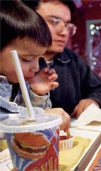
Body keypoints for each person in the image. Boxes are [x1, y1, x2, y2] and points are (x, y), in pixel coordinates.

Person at [22, 0, 101, 118]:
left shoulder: (71, 58)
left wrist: (93, 101)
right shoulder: (12, 61)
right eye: (54, 22)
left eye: (67, 25)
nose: (64, 32)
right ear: (27, 20)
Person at [0, 0, 70, 132]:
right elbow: (4, 119)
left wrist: (36, 94)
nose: (36, 67)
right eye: (27, 59)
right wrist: (44, 116)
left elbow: (33, 128)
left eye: (39, 58)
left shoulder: (17, 81)